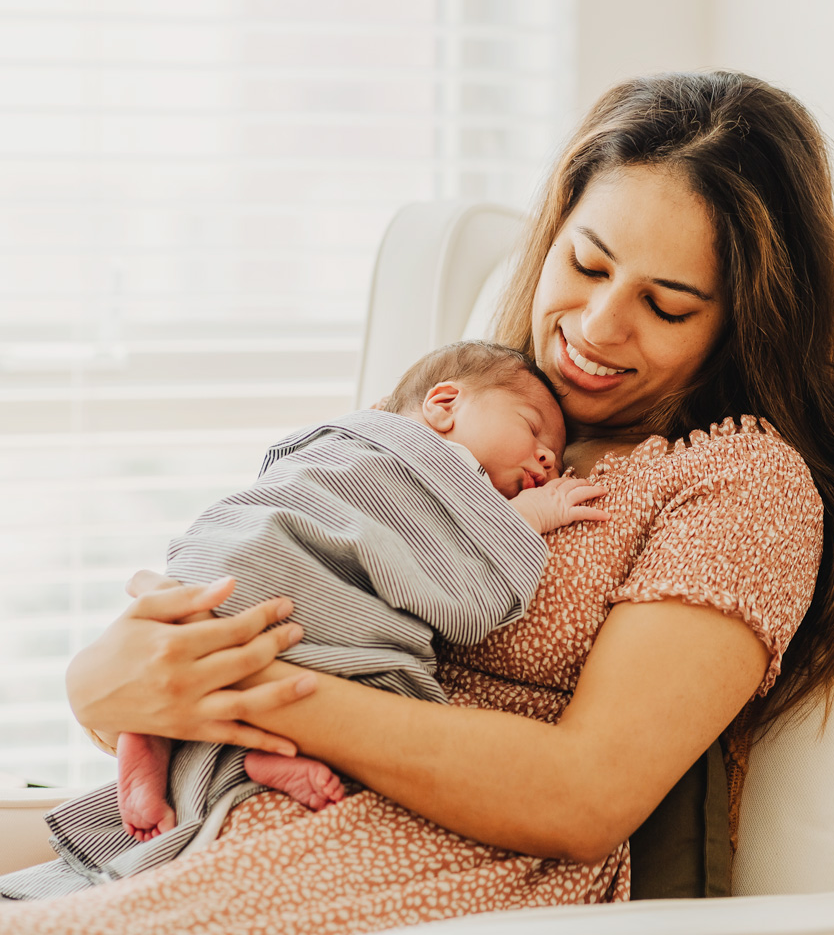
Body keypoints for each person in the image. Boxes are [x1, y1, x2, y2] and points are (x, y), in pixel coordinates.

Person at [0, 71, 834, 933]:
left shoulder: (741, 486)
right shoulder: (465, 408)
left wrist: (246, 691)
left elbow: (584, 796)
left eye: (668, 306)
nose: (599, 326)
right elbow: (286, 553)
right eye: (587, 264)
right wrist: (105, 682)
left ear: (743, 321)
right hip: (231, 801)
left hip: (439, 860)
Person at [5, 340, 608, 890]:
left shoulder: (344, 440)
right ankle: (250, 750)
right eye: (532, 429)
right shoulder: (429, 463)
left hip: (224, 564)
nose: (547, 457)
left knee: (202, 651)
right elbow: (464, 589)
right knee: (383, 682)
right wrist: (528, 517)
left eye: (554, 455)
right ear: (444, 404)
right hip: (288, 572)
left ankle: (156, 743)